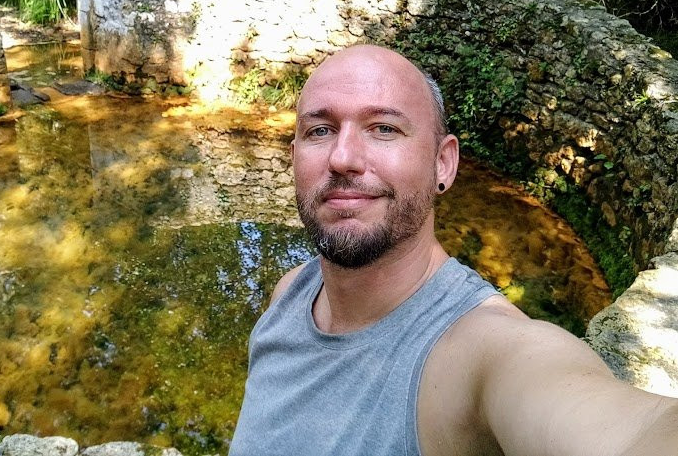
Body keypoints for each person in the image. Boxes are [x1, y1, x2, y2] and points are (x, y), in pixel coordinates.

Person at [228, 44, 678, 456]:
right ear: (294, 157)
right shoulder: (289, 294)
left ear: (443, 163)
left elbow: (628, 431)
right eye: (320, 130)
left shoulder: (482, 353)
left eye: (383, 129)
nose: (343, 157)